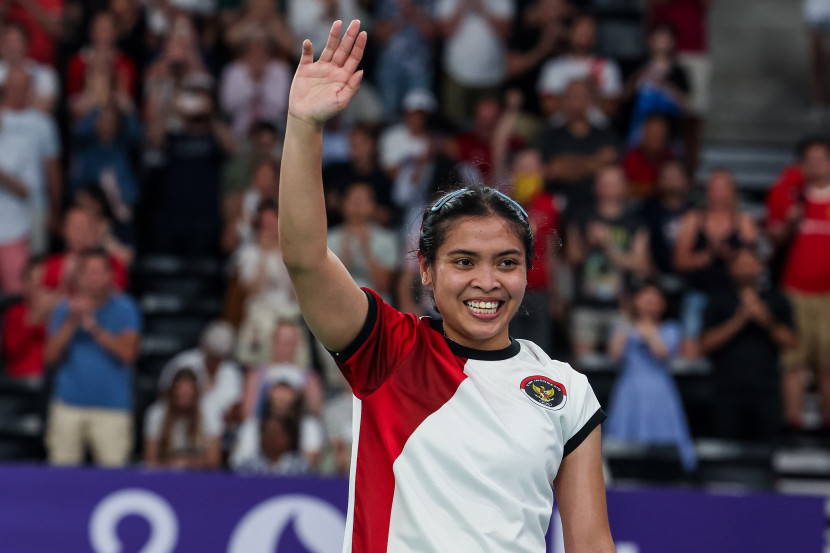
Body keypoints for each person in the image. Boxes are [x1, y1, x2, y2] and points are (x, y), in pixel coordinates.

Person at [279, 21, 614, 552]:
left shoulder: (567, 391)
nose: (487, 281)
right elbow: (304, 258)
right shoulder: (387, 350)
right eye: (464, 261)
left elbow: (591, 542)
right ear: (427, 270)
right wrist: (303, 127)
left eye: (506, 262)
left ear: (527, 271)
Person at [43, 247, 141, 466]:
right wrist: (71, 322)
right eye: (88, 272)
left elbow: (128, 354)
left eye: (99, 272)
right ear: (78, 276)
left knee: (114, 476)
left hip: (112, 408)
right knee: (61, 476)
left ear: (110, 275)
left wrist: (94, 329)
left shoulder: (126, 308)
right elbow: (50, 356)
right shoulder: (63, 310)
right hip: (68, 405)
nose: (93, 279)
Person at [701, 248, 797, 442]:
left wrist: (765, 319)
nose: (745, 269)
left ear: (760, 266)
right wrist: (739, 319)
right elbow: (704, 345)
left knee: (768, 451)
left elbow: (792, 342)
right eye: (740, 264)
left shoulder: (776, 298)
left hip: (767, 388)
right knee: (726, 450)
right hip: (726, 388)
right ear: (731, 268)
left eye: (750, 263)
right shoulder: (718, 299)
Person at [604, 281, 696, 472]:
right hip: (629, 388)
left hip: (659, 390)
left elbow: (662, 353)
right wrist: (626, 323)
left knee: (663, 444)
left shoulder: (671, 328)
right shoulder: (622, 325)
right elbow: (614, 355)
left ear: (662, 304)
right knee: (623, 444)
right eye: (645, 298)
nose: (649, 303)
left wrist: (646, 328)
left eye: (654, 300)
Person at [566, 165, 651, 361]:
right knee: (583, 368)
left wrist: (609, 245)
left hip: (622, 307)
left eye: (615, 183)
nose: (610, 188)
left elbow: (642, 266)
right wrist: (589, 243)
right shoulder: (580, 218)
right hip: (585, 305)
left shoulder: (635, 222)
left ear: (624, 187)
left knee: (623, 364)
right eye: (605, 183)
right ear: (596, 187)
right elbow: (572, 260)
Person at [673, 167, 757, 359]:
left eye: (723, 188)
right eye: (714, 187)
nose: (718, 193)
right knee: (690, 346)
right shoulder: (694, 219)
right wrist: (705, 256)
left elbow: (751, 262)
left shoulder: (743, 221)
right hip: (699, 292)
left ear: (732, 191)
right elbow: (679, 261)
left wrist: (728, 255)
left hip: (732, 294)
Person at [776, 138, 830, 429]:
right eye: (809, 160)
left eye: (822, 159)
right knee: (793, 360)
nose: (816, 165)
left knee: (827, 362)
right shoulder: (791, 196)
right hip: (795, 290)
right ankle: (793, 421)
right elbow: (774, 241)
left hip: (829, 294)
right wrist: (789, 224)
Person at [535, 79, 618, 219]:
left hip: (596, 212)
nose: (576, 102)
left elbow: (609, 171)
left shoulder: (606, 136)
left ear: (591, 101)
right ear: (563, 101)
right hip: (557, 211)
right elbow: (553, 170)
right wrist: (595, 162)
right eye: (571, 97)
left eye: (581, 97)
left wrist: (566, 164)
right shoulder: (549, 136)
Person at [0, 66, 62, 254]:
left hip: (34, 205)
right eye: (14, 86)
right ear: (5, 88)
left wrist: (55, 209)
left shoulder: (43, 123)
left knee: (34, 264)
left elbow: (52, 169)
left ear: (31, 89)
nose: (18, 91)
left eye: (24, 86)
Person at [437, 0, 515, 125]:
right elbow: (445, 31)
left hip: (491, 76)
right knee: (454, 125)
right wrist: (464, 5)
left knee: (489, 126)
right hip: (456, 74)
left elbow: (506, 30)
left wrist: (482, 7)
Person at [157, 320, 243, 431]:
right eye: (213, 355)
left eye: (220, 357)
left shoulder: (232, 373)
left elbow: (234, 409)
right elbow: (164, 396)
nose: (215, 361)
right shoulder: (183, 363)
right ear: (205, 347)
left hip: (220, 433)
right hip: (182, 427)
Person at [537, 14, 623, 125]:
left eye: (588, 30)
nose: (584, 34)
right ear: (570, 32)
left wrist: (590, 91)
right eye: (580, 29)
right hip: (560, 129)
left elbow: (611, 107)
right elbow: (547, 106)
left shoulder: (607, 66)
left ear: (595, 35)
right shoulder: (553, 67)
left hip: (596, 130)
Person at [326, 181, 399, 302]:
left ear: (373, 205)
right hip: (338, 304)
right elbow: (326, 285)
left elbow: (383, 284)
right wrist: (344, 259)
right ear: (342, 204)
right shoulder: (329, 238)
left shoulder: (386, 239)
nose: (358, 204)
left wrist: (366, 251)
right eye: (353, 199)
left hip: (376, 305)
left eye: (363, 200)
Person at [144, 367, 222, 469]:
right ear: (172, 391)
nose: (183, 395)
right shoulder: (157, 413)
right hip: (166, 472)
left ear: (196, 393)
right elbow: (150, 458)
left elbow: (214, 459)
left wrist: (188, 463)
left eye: (188, 391)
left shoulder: (209, 411)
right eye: (179, 390)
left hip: (199, 474)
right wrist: (171, 464)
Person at [1, 259, 53, 379]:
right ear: (25, 284)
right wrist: (37, 315)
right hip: (22, 382)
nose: (42, 290)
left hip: (53, 383)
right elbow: (12, 350)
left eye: (46, 284)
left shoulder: (63, 313)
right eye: (37, 284)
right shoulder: (16, 312)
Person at [0, 22, 59, 112]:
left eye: (17, 41)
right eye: (8, 42)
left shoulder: (44, 73)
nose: (12, 47)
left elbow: (45, 107)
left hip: (33, 123)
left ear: (26, 44)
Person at [622, 114, 675, 199]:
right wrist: (655, 188)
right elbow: (624, 188)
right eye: (653, 132)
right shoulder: (630, 156)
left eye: (660, 133)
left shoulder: (670, 157)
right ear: (644, 133)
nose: (656, 137)